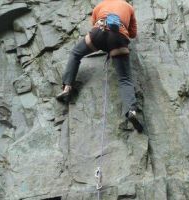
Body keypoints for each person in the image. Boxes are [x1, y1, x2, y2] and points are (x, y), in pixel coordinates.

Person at [56, 0, 143, 132]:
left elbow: (93, 23)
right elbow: (133, 33)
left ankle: (67, 88)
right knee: (125, 79)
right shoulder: (129, 7)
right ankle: (132, 111)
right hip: (118, 38)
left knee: (75, 53)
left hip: (99, 33)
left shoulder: (100, 5)